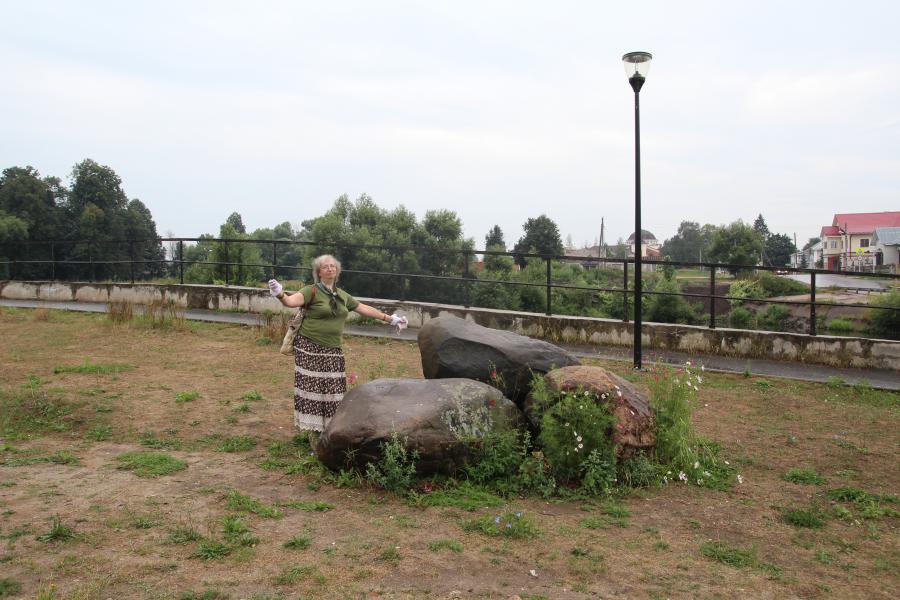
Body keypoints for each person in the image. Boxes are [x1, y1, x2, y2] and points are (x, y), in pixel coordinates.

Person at [267, 254, 407, 434]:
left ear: (337, 271)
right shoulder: (311, 291)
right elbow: (290, 302)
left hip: (333, 349)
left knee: (333, 389)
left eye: (332, 266)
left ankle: (330, 427)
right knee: (312, 387)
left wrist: (390, 319)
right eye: (325, 266)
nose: (330, 268)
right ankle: (313, 429)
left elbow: (363, 308)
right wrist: (280, 294)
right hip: (310, 347)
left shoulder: (342, 295)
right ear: (319, 272)